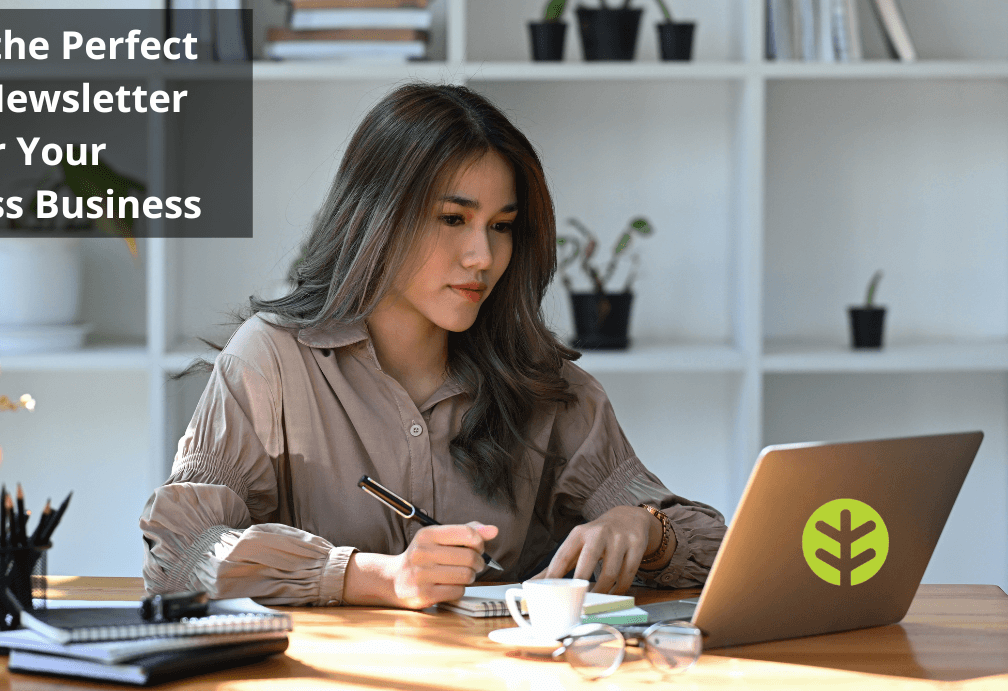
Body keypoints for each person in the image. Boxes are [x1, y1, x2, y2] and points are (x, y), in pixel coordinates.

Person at [140, 83, 726, 609]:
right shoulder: (271, 362)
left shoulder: (541, 380)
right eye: (453, 219)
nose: (483, 256)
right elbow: (182, 554)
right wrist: (372, 576)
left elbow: (721, 548)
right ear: (378, 217)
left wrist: (644, 526)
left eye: (501, 226)